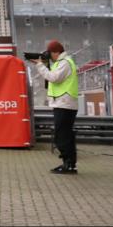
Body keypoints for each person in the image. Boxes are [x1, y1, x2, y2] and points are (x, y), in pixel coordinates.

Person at [34, 40, 79, 174]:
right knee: (65, 134)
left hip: (65, 103)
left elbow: (53, 78)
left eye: (49, 53)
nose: (49, 56)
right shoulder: (61, 63)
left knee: (62, 135)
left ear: (56, 52)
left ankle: (69, 164)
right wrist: (43, 64)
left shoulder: (65, 63)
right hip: (63, 103)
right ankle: (69, 164)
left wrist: (40, 65)